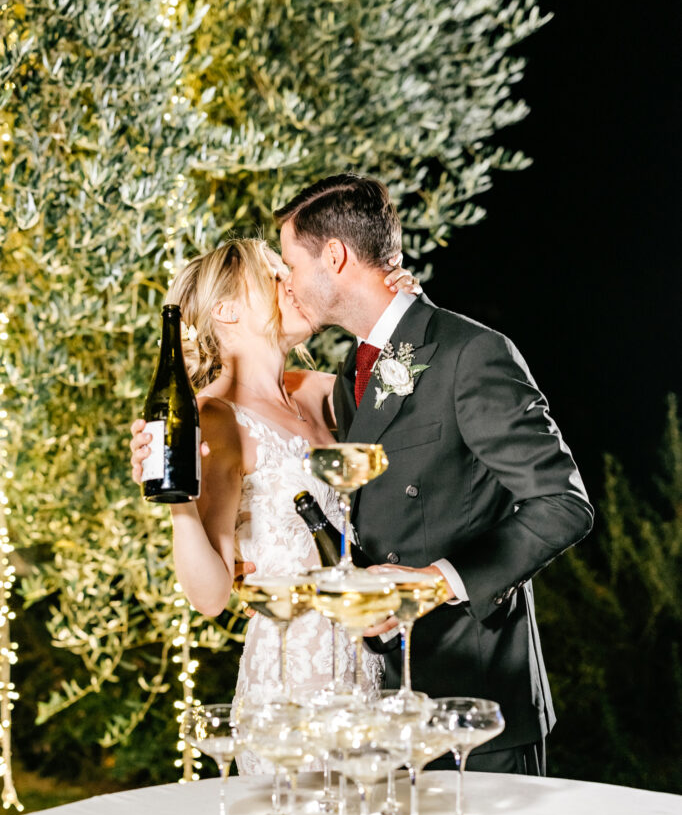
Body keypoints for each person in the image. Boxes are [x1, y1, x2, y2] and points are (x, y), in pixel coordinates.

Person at [274, 174, 594, 775]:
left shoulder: (470, 352)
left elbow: (562, 503)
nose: (288, 283)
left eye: (291, 264)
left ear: (335, 258)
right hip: (385, 700)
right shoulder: (353, 375)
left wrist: (434, 582)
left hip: (474, 703)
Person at [130, 238, 418, 773]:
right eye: (274, 275)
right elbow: (211, 595)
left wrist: (397, 317)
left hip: (365, 668)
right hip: (290, 684)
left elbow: (415, 405)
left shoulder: (318, 392)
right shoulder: (215, 417)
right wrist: (179, 504)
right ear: (226, 310)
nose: (293, 282)